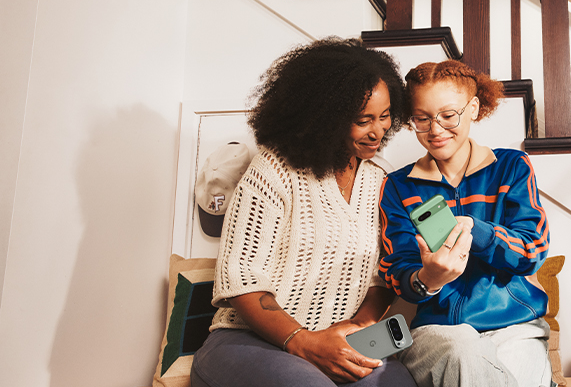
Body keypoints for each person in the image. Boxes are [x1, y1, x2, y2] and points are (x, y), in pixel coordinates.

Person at [191, 37, 417, 387]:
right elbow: (243, 281)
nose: (378, 131)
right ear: (326, 118)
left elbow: (379, 278)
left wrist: (356, 329)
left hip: (341, 341)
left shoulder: (381, 179)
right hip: (251, 341)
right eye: (363, 120)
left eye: (386, 116)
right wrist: (305, 342)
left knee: (399, 382)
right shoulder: (275, 169)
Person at [378, 60, 552, 387]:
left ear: (473, 109)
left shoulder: (511, 167)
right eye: (422, 119)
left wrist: (477, 232)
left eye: (448, 115)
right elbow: (396, 270)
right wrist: (426, 279)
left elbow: (533, 249)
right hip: (438, 333)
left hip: (515, 329)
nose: (435, 129)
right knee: (464, 353)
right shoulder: (399, 186)